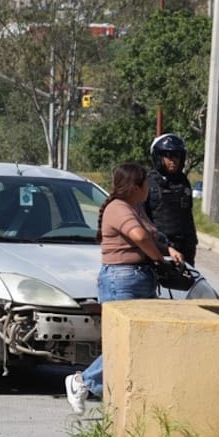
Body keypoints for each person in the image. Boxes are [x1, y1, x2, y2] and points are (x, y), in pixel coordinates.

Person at [65, 162, 185, 414]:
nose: (149, 189)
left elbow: (149, 236)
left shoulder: (135, 208)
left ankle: (130, 397)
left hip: (138, 278)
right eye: (146, 184)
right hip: (122, 280)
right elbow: (139, 237)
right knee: (124, 342)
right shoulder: (118, 208)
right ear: (136, 187)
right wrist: (158, 260)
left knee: (142, 340)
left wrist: (167, 249)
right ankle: (82, 382)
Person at [145, 133, 198, 265]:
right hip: (159, 249)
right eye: (168, 156)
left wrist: (191, 243)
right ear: (159, 156)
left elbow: (187, 216)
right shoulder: (148, 183)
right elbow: (142, 219)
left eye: (177, 155)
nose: (173, 160)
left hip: (184, 249)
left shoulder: (183, 183)